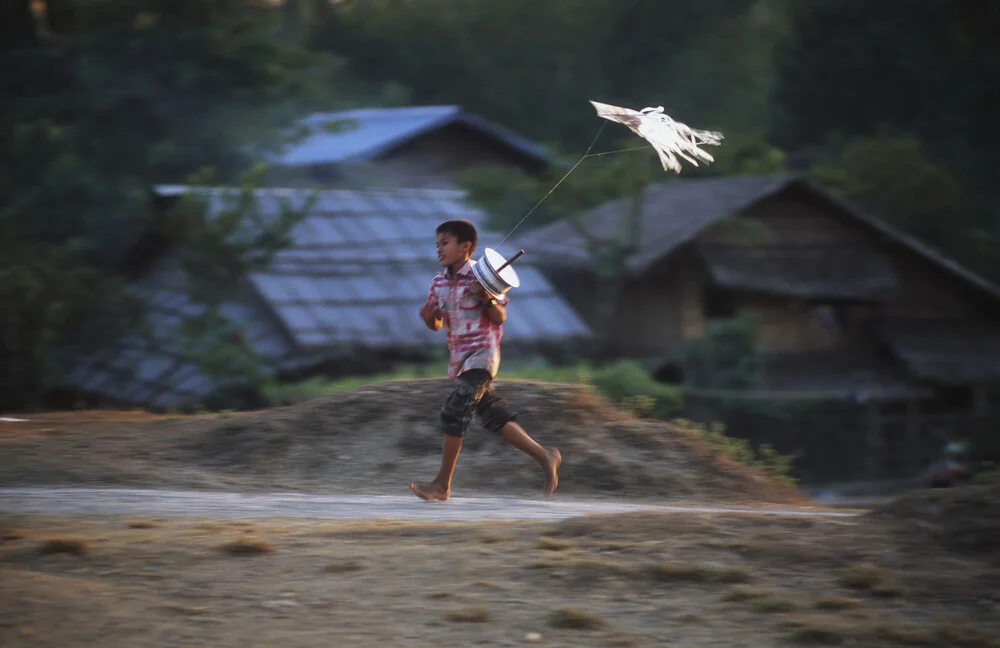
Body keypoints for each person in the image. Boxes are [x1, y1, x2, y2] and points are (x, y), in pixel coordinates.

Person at [410, 219, 561, 501]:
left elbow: (499, 317)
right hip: (460, 360)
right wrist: (429, 317)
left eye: (445, 243)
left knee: (454, 412)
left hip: (482, 357)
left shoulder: (484, 276)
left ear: (465, 246)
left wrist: (487, 299)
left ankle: (442, 485)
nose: (439, 250)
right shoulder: (438, 283)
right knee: (494, 417)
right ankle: (545, 455)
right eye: (437, 245)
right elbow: (437, 323)